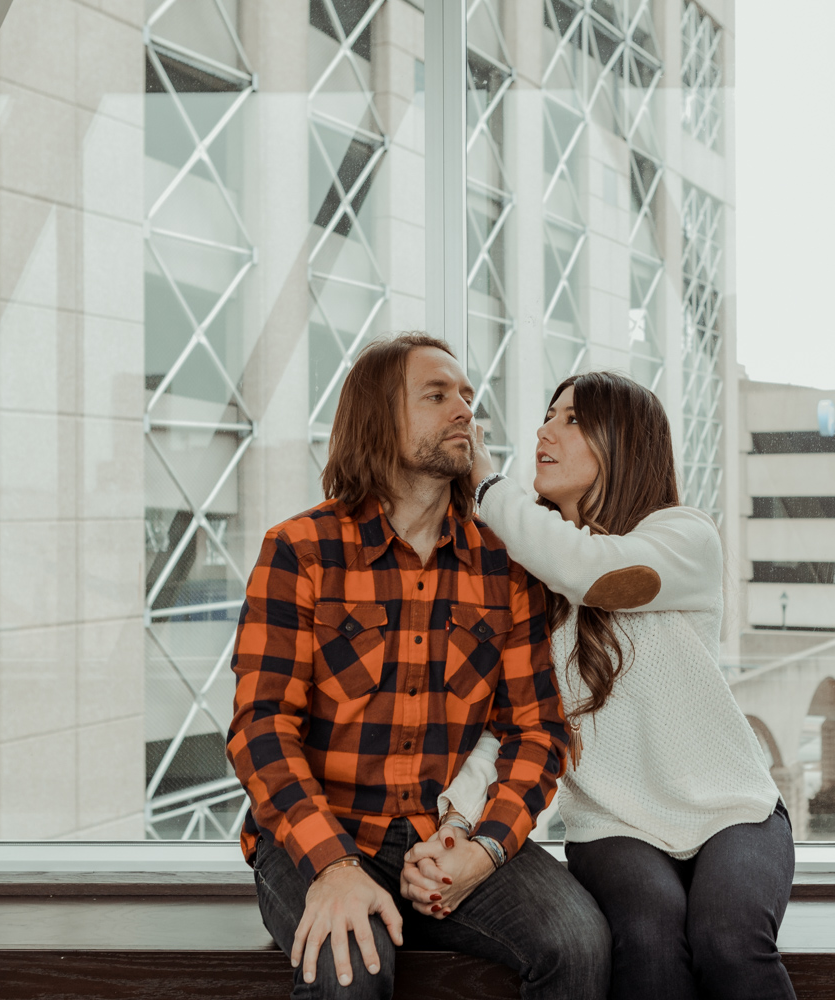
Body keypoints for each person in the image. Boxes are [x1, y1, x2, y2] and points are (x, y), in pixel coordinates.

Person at [226, 334, 610, 1000]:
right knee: (350, 964)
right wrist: (334, 865)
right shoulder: (300, 551)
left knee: (579, 942)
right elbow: (262, 729)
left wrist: (483, 846)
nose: (465, 408)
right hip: (320, 833)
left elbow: (536, 731)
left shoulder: (504, 563)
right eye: (437, 395)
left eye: (466, 394)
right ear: (379, 418)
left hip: (447, 836)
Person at [402, 371, 797, 1000]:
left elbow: (596, 575)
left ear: (625, 442)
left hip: (733, 810)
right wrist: (457, 818)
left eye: (572, 419)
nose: (544, 430)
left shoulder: (682, 537)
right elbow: (512, 730)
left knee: (729, 940)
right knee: (646, 939)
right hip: (613, 823)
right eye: (547, 415)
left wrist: (490, 488)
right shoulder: (527, 582)